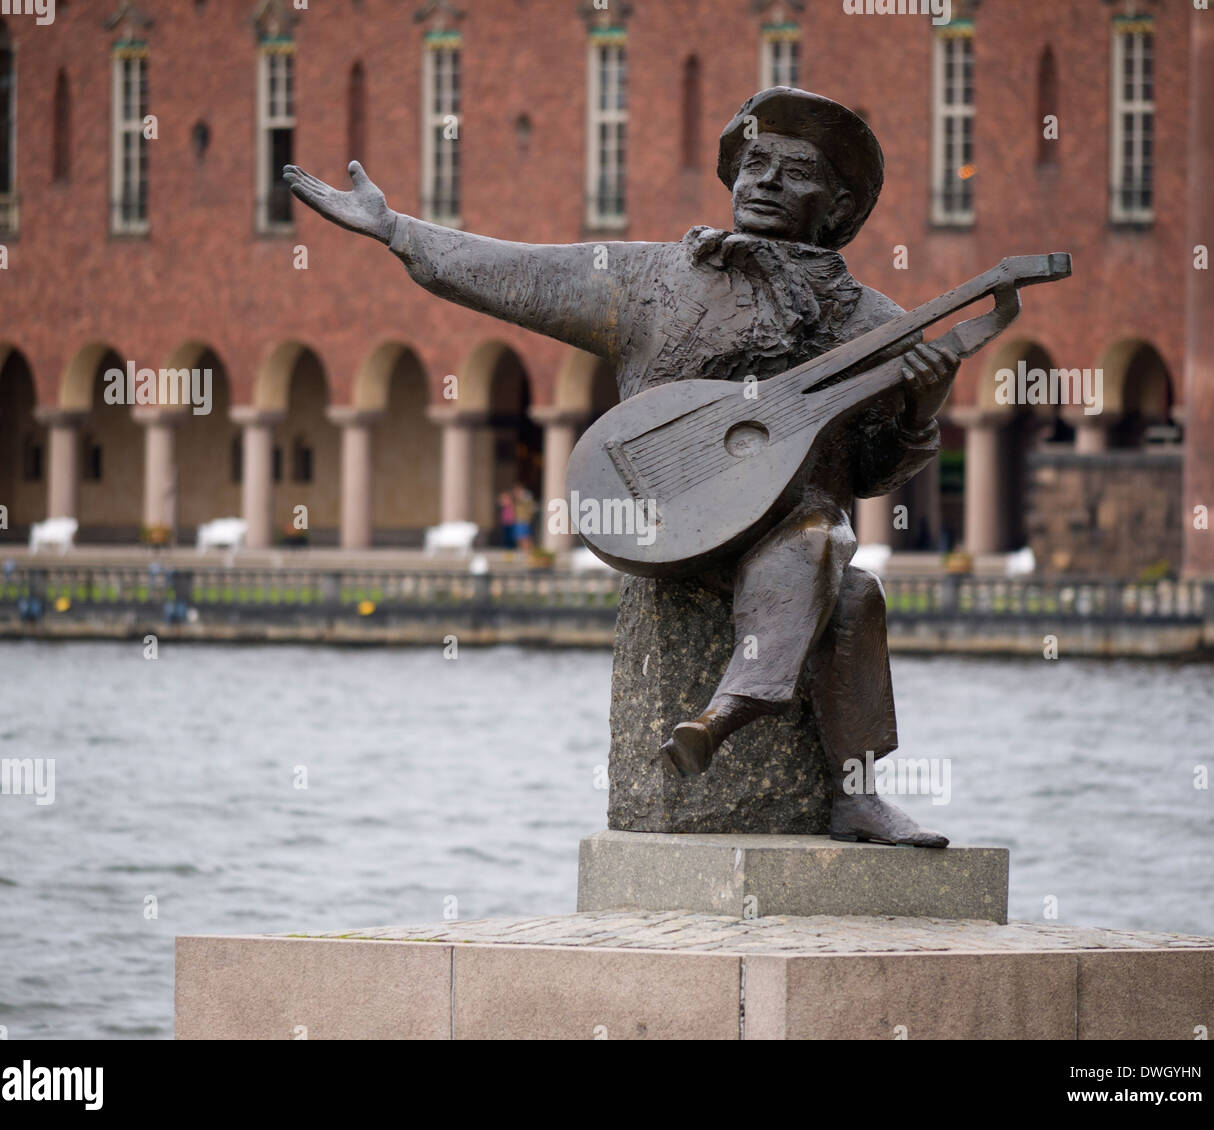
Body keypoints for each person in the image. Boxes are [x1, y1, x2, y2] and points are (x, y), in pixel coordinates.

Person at [284, 87, 956, 846]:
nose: (764, 181)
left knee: (846, 581)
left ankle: (831, 782)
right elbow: (510, 272)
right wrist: (395, 229)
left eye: (794, 171)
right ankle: (767, 721)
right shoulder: (653, 279)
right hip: (667, 527)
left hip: (789, 535)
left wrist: (918, 412)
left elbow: (873, 470)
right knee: (824, 546)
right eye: (754, 163)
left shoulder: (877, 325)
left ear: (836, 206)